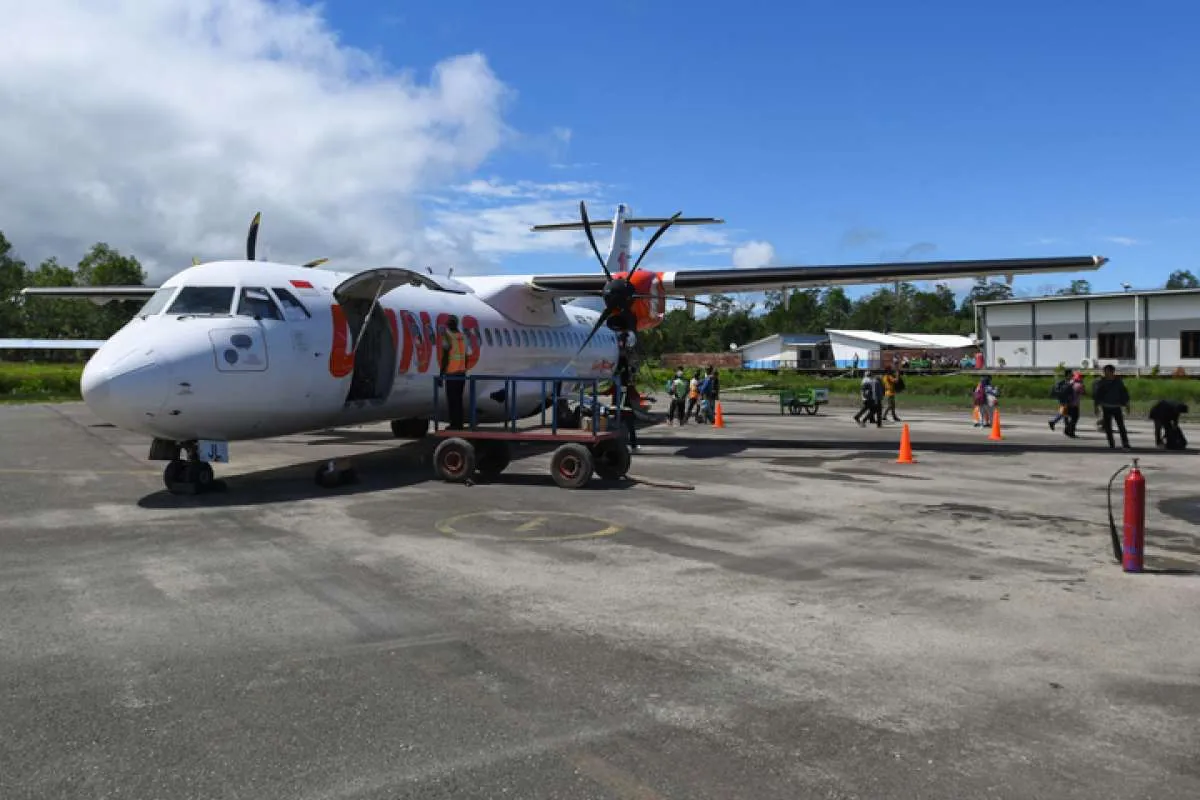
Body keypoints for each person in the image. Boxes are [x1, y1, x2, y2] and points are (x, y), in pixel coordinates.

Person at [439, 314, 469, 430]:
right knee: (458, 400)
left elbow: (446, 356)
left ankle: (454, 424)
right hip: (461, 373)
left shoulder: (448, 336)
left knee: (452, 400)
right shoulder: (462, 336)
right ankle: (459, 423)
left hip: (452, 373)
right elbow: (466, 356)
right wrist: (464, 369)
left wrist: (441, 374)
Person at [1092, 364, 1131, 450]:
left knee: (1121, 426)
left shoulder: (1118, 382)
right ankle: (1111, 443)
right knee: (1108, 427)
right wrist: (1096, 407)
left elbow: (1124, 394)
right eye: (1104, 371)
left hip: (1116, 407)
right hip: (1106, 407)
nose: (1105, 373)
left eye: (1107, 371)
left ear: (1112, 372)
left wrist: (1127, 406)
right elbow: (1097, 395)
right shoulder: (1101, 382)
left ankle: (1125, 443)